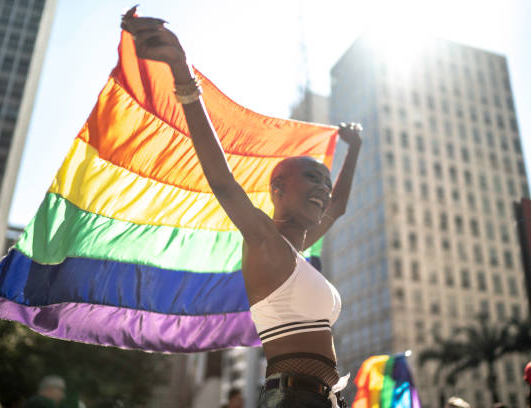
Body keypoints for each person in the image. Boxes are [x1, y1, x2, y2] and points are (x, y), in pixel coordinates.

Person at [121, 8, 361, 408]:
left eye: (326, 179)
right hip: (294, 399)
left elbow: (337, 207)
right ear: (279, 187)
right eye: (313, 178)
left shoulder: (293, 254)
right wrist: (183, 74)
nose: (323, 188)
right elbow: (223, 183)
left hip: (321, 399)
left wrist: (355, 150)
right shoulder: (266, 243)